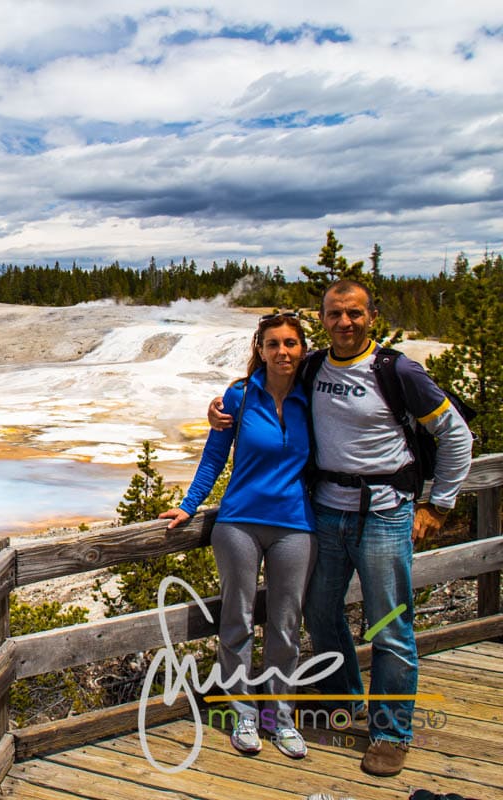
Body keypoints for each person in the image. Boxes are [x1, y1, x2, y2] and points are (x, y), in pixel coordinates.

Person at [208, 279, 473, 777]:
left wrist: (438, 505)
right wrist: (221, 413)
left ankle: (391, 731)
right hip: (326, 512)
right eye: (334, 314)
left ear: (371, 315)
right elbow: (266, 391)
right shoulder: (312, 367)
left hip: (385, 513)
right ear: (323, 320)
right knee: (319, 612)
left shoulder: (397, 370)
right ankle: (344, 698)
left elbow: (456, 433)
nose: (344, 323)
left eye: (353, 313)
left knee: (389, 625)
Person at [159, 312, 316, 758]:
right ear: (259, 349)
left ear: (302, 349)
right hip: (239, 524)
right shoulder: (240, 396)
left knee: (286, 625)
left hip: (296, 525)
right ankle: (243, 714)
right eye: (272, 344)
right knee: (238, 620)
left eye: (290, 343)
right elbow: (214, 456)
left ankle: (280, 718)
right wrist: (189, 505)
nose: (282, 352)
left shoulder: (313, 397)